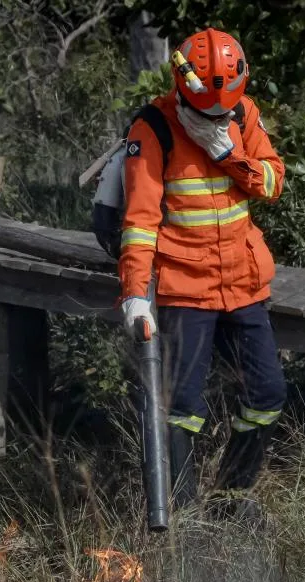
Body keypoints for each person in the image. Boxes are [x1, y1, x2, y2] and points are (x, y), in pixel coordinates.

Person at [116, 27, 288, 514]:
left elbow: (272, 182)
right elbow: (140, 222)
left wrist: (227, 153)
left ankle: (230, 496)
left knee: (268, 395)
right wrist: (134, 295)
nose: (218, 116)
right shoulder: (153, 128)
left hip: (244, 283)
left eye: (225, 109)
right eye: (206, 109)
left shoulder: (244, 113)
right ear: (182, 87)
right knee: (183, 409)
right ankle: (183, 512)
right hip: (184, 290)